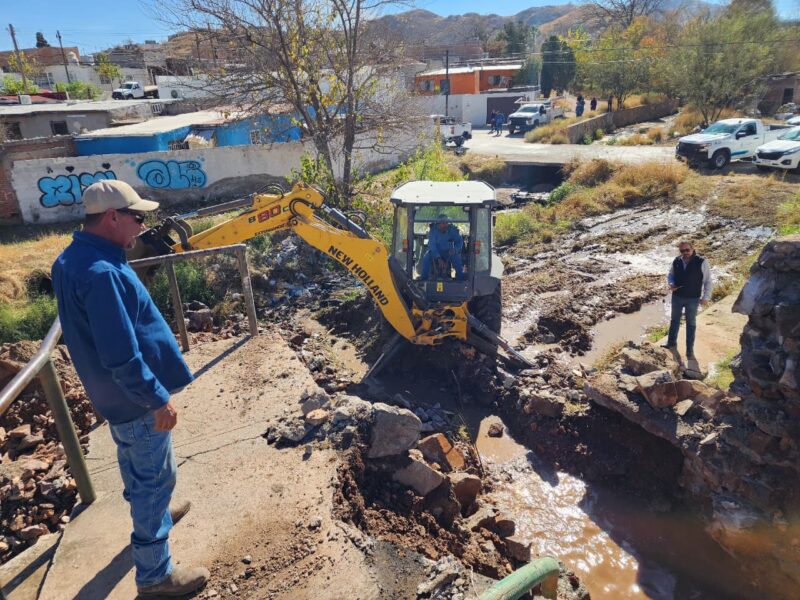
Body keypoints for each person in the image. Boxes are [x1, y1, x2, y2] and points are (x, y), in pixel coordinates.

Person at [51, 180, 209, 597]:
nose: (143, 224)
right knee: (152, 477)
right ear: (112, 217)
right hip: (135, 399)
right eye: (137, 217)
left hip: (115, 398)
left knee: (144, 469)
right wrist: (157, 399)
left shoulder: (74, 258)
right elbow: (119, 355)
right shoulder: (101, 273)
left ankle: (153, 509)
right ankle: (155, 574)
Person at [662, 241, 712, 359]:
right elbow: (670, 274)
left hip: (693, 298)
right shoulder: (677, 261)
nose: (685, 253)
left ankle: (689, 350)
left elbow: (708, 281)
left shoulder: (702, 262)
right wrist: (671, 283)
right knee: (674, 321)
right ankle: (671, 343)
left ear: (693, 248)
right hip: (677, 297)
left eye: (687, 250)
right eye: (682, 251)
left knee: (691, 324)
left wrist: (706, 297)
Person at [420, 215, 465, 280]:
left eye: (446, 223)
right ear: (438, 224)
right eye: (443, 223)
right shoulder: (433, 231)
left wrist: (455, 249)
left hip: (449, 252)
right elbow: (432, 246)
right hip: (435, 252)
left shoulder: (452, 229)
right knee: (426, 256)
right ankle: (424, 279)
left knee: (457, 258)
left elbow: (459, 241)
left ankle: (460, 280)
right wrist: (438, 258)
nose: (445, 225)